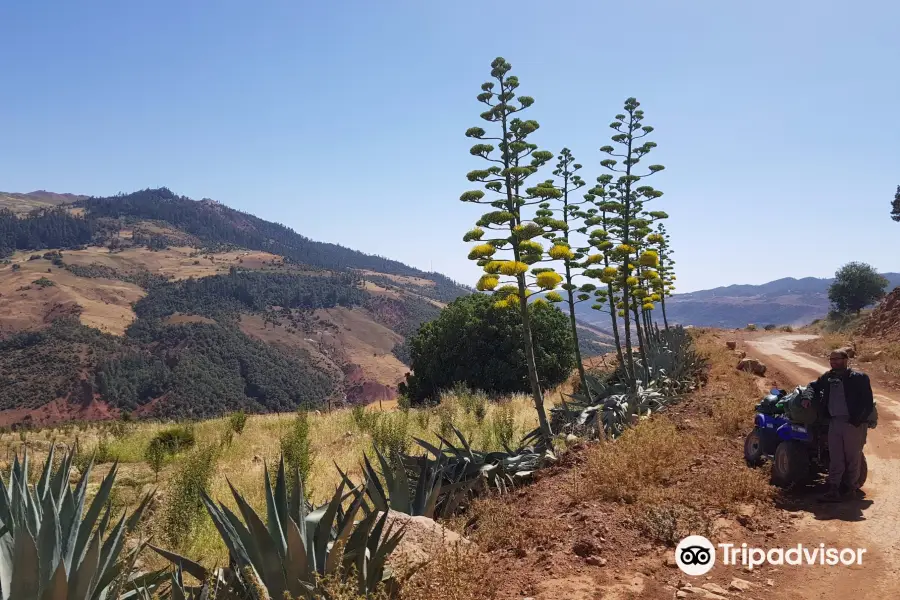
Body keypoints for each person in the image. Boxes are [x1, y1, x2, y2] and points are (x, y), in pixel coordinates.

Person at [802, 349, 874, 502]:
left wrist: (856, 421)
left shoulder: (860, 378)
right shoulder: (828, 378)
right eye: (831, 359)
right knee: (836, 457)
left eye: (837, 359)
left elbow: (867, 403)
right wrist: (807, 397)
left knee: (853, 457)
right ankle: (833, 488)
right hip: (834, 422)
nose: (833, 362)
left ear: (846, 360)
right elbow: (812, 386)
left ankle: (850, 488)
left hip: (852, 423)